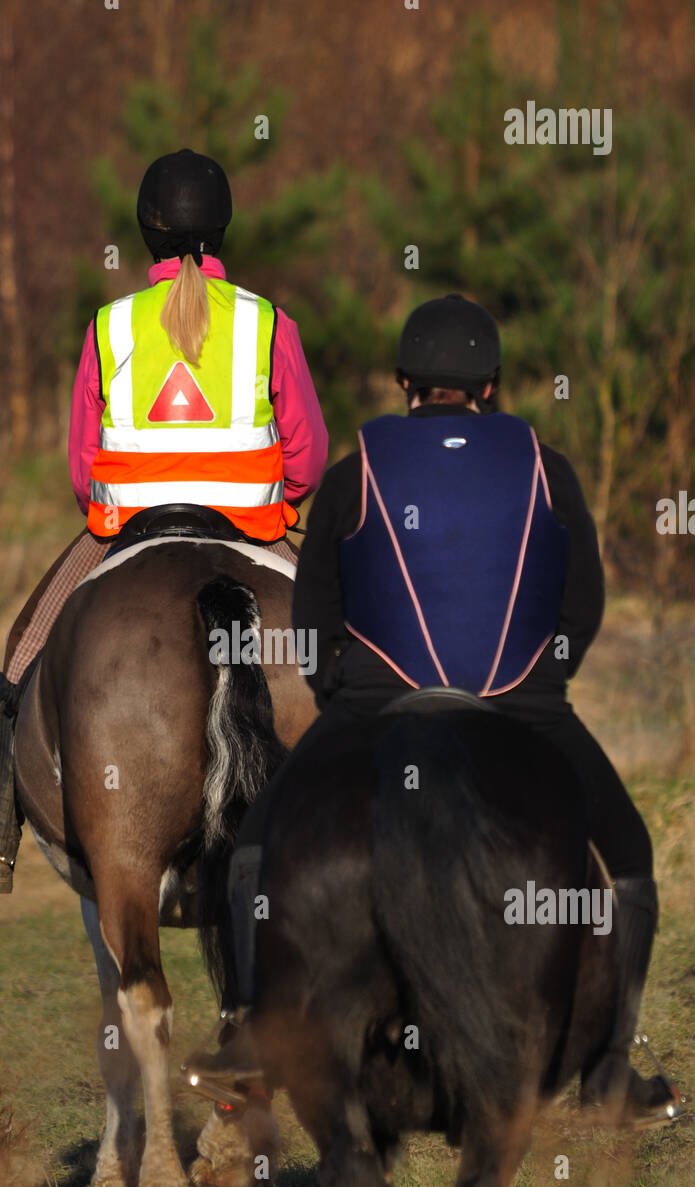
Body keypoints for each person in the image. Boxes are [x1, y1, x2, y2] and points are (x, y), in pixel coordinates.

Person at [187, 292, 681, 1127]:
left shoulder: (357, 470)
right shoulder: (544, 466)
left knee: (258, 841)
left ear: (404, 382)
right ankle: (606, 1071)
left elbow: (315, 616)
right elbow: (582, 602)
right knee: (628, 850)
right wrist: (544, 682)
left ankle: (249, 1041)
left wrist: (343, 695)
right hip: (520, 704)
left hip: (379, 705)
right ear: (490, 386)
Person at [0, 148, 327, 893]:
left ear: (145, 233)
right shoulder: (266, 324)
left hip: (124, 530)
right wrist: (275, 502)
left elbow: (81, 464)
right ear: (221, 229)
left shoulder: (109, 327)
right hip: (254, 528)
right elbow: (307, 455)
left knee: (24, 648)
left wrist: (112, 508)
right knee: (357, 641)